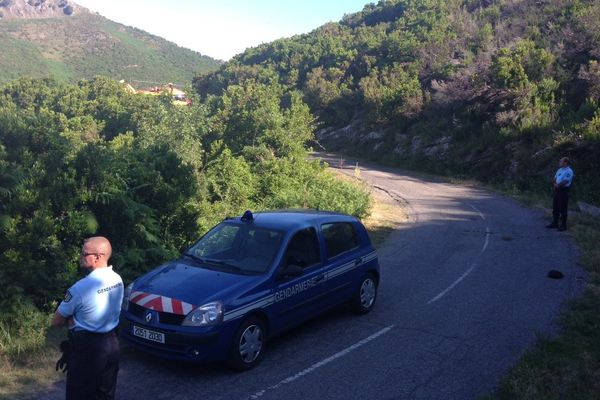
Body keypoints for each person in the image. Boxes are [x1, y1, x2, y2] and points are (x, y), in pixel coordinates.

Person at [52, 236, 124, 400]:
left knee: (79, 395)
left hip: (88, 350)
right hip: (112, 344)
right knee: (105, 394)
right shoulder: (117, 279)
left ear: (98, 257)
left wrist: (73, 320)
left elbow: (56, 321)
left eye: (84, 254)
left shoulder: (80, 288)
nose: (80, 257)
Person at [546, 157, 574, 231]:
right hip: (557, 190)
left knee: (563, 208)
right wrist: (555, 185)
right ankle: (555, 223)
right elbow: (555, 178)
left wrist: (558, 185)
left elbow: (566, 181)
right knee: (555, 207)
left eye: (560, 161)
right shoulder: (559, 170)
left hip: (564, 190)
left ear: (565, 162)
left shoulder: (569, 171)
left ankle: (563, 225)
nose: (559, 162)